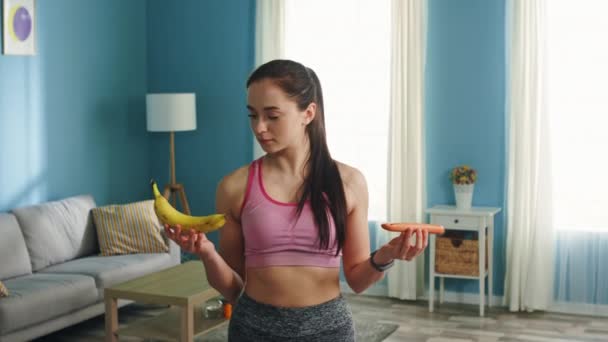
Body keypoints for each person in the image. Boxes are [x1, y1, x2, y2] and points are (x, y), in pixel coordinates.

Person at [164, 59, 428, 341]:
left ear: (308, 113)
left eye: (272, 116)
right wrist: (207, 253)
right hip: (253, 330)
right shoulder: (234, 187)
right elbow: (232, 288)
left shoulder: (349, 183)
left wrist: (386, 255)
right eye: (252, 115)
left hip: (329, 331)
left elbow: (358, 279)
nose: (260, 127)